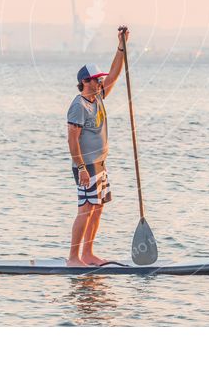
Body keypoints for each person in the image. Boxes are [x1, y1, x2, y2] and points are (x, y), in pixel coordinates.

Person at [66, 26, 129, 267]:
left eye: (100, 79)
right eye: (96, 79)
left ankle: (89, 254)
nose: (101, 81)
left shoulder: (98, 96)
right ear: (85, 82)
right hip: (86, 167)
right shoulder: (78, 106)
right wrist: (81, 167)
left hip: (101, 165)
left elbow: (114, 74)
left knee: (97, 208)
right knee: (85, 209)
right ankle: (73, 258)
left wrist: (121, 46)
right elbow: (72, 140)